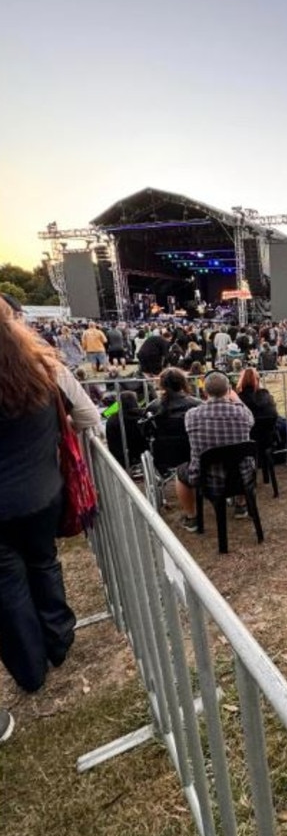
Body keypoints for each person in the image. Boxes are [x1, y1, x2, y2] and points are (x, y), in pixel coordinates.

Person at [0, 296, 100, 692]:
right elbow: (90, 416)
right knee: (43, 562)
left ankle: (30, 670)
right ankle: (59, 642)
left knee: (7, 584)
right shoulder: (46, 366)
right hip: (44, 493)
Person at [176, 371, 255, 531]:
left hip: (205, 480)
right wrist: (236, 398)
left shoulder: (192, 416)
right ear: (229, 391)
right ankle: (241, 505)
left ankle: (192, 517)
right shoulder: (243, 413)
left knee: (180, 473)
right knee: (239, 459)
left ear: (205, 392)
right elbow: (251, 419)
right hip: (242, 477)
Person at [143, 367, 202, 472]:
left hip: (164, 454)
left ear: (162, 384)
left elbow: (146, 432)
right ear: (183, 382)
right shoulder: (197, 404)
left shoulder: (153, 406)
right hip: (191, 451)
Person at [105, 390, 147, 469]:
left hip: (122, 457)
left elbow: (112, 444)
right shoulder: (143, 415)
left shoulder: (112, 420)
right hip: (143, 452)